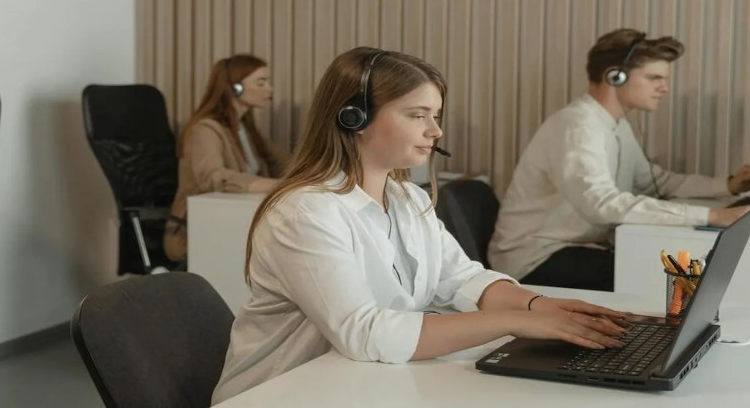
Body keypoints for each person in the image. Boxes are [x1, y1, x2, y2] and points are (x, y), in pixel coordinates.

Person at [211, 47, 628, 403]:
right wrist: (516, 323)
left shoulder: (406, 197)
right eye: (418, 115)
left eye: (436, 115)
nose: (436, 130)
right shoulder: (307, 212)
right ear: (353, 118)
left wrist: (540, 306)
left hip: (362, 386)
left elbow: (461, 277)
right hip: (281, 394)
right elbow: (364, 332)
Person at [489, 28, 750, 291]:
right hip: (534, 259)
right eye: (654, 78)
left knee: (674, 272)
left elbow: (655, 182)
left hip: (577, 247)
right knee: (663, 280)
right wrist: (714, 216)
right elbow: (600, 204)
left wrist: (729, 186)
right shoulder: (578, 127)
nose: (664, 88)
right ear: (615, 76)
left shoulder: (615, 124)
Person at [163, 54, 290, 262]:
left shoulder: (245, 128)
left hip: (233, 222)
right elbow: (213, 177)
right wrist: (275, 185)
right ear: (235, 88)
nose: (270, 90)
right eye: (261, 82)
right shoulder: (205, 129)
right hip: (194, 231)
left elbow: (282, 160)